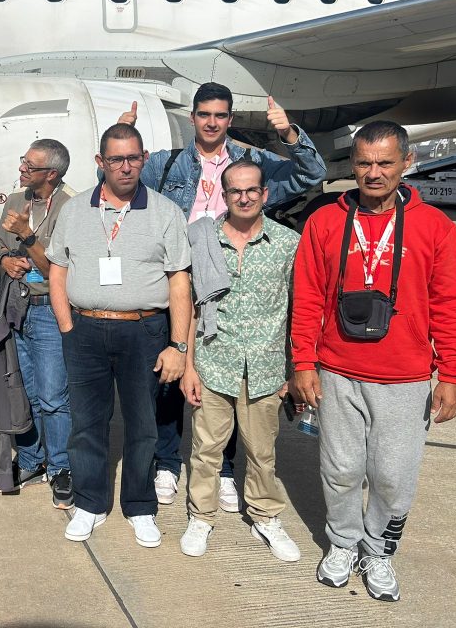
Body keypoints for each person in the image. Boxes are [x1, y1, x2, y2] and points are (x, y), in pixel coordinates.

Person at [121, 83, 325, 512]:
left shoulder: (253, 164)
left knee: (230, 379)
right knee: (170, 373)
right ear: (193, 117)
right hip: (177, 278)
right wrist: (123, 135)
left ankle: (226, 470)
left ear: (230, 119)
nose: (211, 123)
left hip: (231, 279)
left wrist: (288, 134)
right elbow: (122, 176)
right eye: (204, 114)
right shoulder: (167, 162)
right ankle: (166, 462)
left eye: (219, 115)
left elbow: (309, 174)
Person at [291, 120, 456, 602]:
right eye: (364, 163)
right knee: (340, 470)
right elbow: (307, 297)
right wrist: (303, 362)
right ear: (352, 165)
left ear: (407, 162)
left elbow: (451, 305)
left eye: (385, 163)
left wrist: (451, 373)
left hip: (405, 377)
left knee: (393, 476)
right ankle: (343, 543)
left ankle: (378, 550)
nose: (374, 173)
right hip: (338, 371)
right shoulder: (325, 221)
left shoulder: (435, 227)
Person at [47, 124, 192, 549]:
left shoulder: (166, 212)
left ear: (144, 159)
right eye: (116, 159)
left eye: (133, 158)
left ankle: (140, 505)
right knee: (86, 422)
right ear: (101, 162)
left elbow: (179, 282)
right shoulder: (75, 210)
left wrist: (178, 345)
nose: (125, 167)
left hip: (143, 330)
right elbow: (58, 270)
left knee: (143, 423)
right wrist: (67, 326)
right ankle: (90, 502)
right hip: (85, 329)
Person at [178, 160, 301, 562]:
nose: (244, 198)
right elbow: (194, 308)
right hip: (214, 362)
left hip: (265, 366)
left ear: (264, 194)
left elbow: (300, 310)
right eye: (235, 191)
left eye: (251, 191)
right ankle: (201, 516)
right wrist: (189, 367)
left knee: (262, 452)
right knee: (206, 450)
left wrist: (294, 370)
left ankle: (265, 516)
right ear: (224, 194)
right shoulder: (203, 240)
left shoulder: (287, 243)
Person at [0, 139, 76, 508]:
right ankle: (31, 460)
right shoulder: (16, 199)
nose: (22, 169)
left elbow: (55, 270)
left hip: (48, 309)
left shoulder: (70, 207)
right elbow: (0, 247)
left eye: (30, 165)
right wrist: (5, 261)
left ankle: (60, 468)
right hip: (17, 306)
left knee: (53, 396)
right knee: (23, 391)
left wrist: (27, 235)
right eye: (23, 161)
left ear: (52, 174)